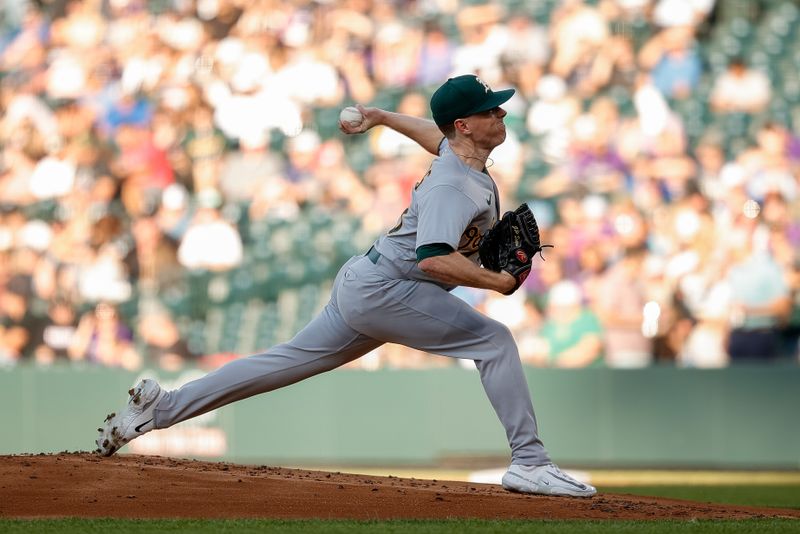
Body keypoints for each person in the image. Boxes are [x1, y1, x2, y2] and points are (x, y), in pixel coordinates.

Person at [95, 74, 596, 498]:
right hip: (391, 288)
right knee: (495, 341)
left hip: (369, 282)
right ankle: (529, 461)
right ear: (465, 125)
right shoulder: (452, 185)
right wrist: (498, 281)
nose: (500, 116)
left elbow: (432, 134)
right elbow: (436, 261)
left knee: (282, 362)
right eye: (490, 112)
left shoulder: (457, 156)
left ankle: (160, 409)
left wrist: (381, 116)